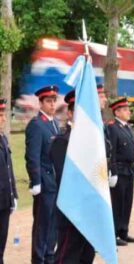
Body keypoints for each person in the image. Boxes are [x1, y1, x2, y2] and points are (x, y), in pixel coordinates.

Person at [50, 90, 95, 264]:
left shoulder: (93, 140)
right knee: (67, 254)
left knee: (87, 254)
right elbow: (64, 179)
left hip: (91, 207)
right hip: (72, 208)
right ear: (70, 113)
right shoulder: (62, 141)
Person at [26, 85, 60, 264]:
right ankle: (38, 258)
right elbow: (32, 156)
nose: (52, 104)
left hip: (55, 183)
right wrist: (36, 180)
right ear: (41, 103)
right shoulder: (37, 125)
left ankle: (49, 255)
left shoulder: (55, 123)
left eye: (54, 101)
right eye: (48, 101)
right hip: (45, 183)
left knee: (54, 223)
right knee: (42, 224)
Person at [107, 98, 134, 246]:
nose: (128, 112)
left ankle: (123, 231)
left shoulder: (127, 127)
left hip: (129, 170)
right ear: (117, 112)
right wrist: (112, 171)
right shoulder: (113, 127)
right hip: (119, 170)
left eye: (128, 109)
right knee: (117, 204)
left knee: (127, 203)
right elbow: (111, 151)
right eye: (125, 109)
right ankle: (113, 234)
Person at [0, 98, 18, 264]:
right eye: (0, 115)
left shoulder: (3, 138)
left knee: (2, 240)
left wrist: (14, 195)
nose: (4, 118)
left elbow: (8, 169)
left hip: (4, 200)